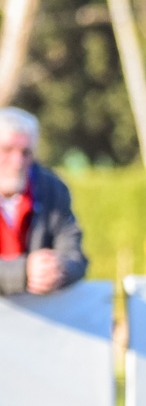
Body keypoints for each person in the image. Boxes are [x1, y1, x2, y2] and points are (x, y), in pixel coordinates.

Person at [0, 108, 86, 296]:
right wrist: (21, 272)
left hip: (38, 317)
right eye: (7, 150)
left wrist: (57, 270)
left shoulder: (52, 189)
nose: (17, 161)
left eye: (26, 152)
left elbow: (75, 255)